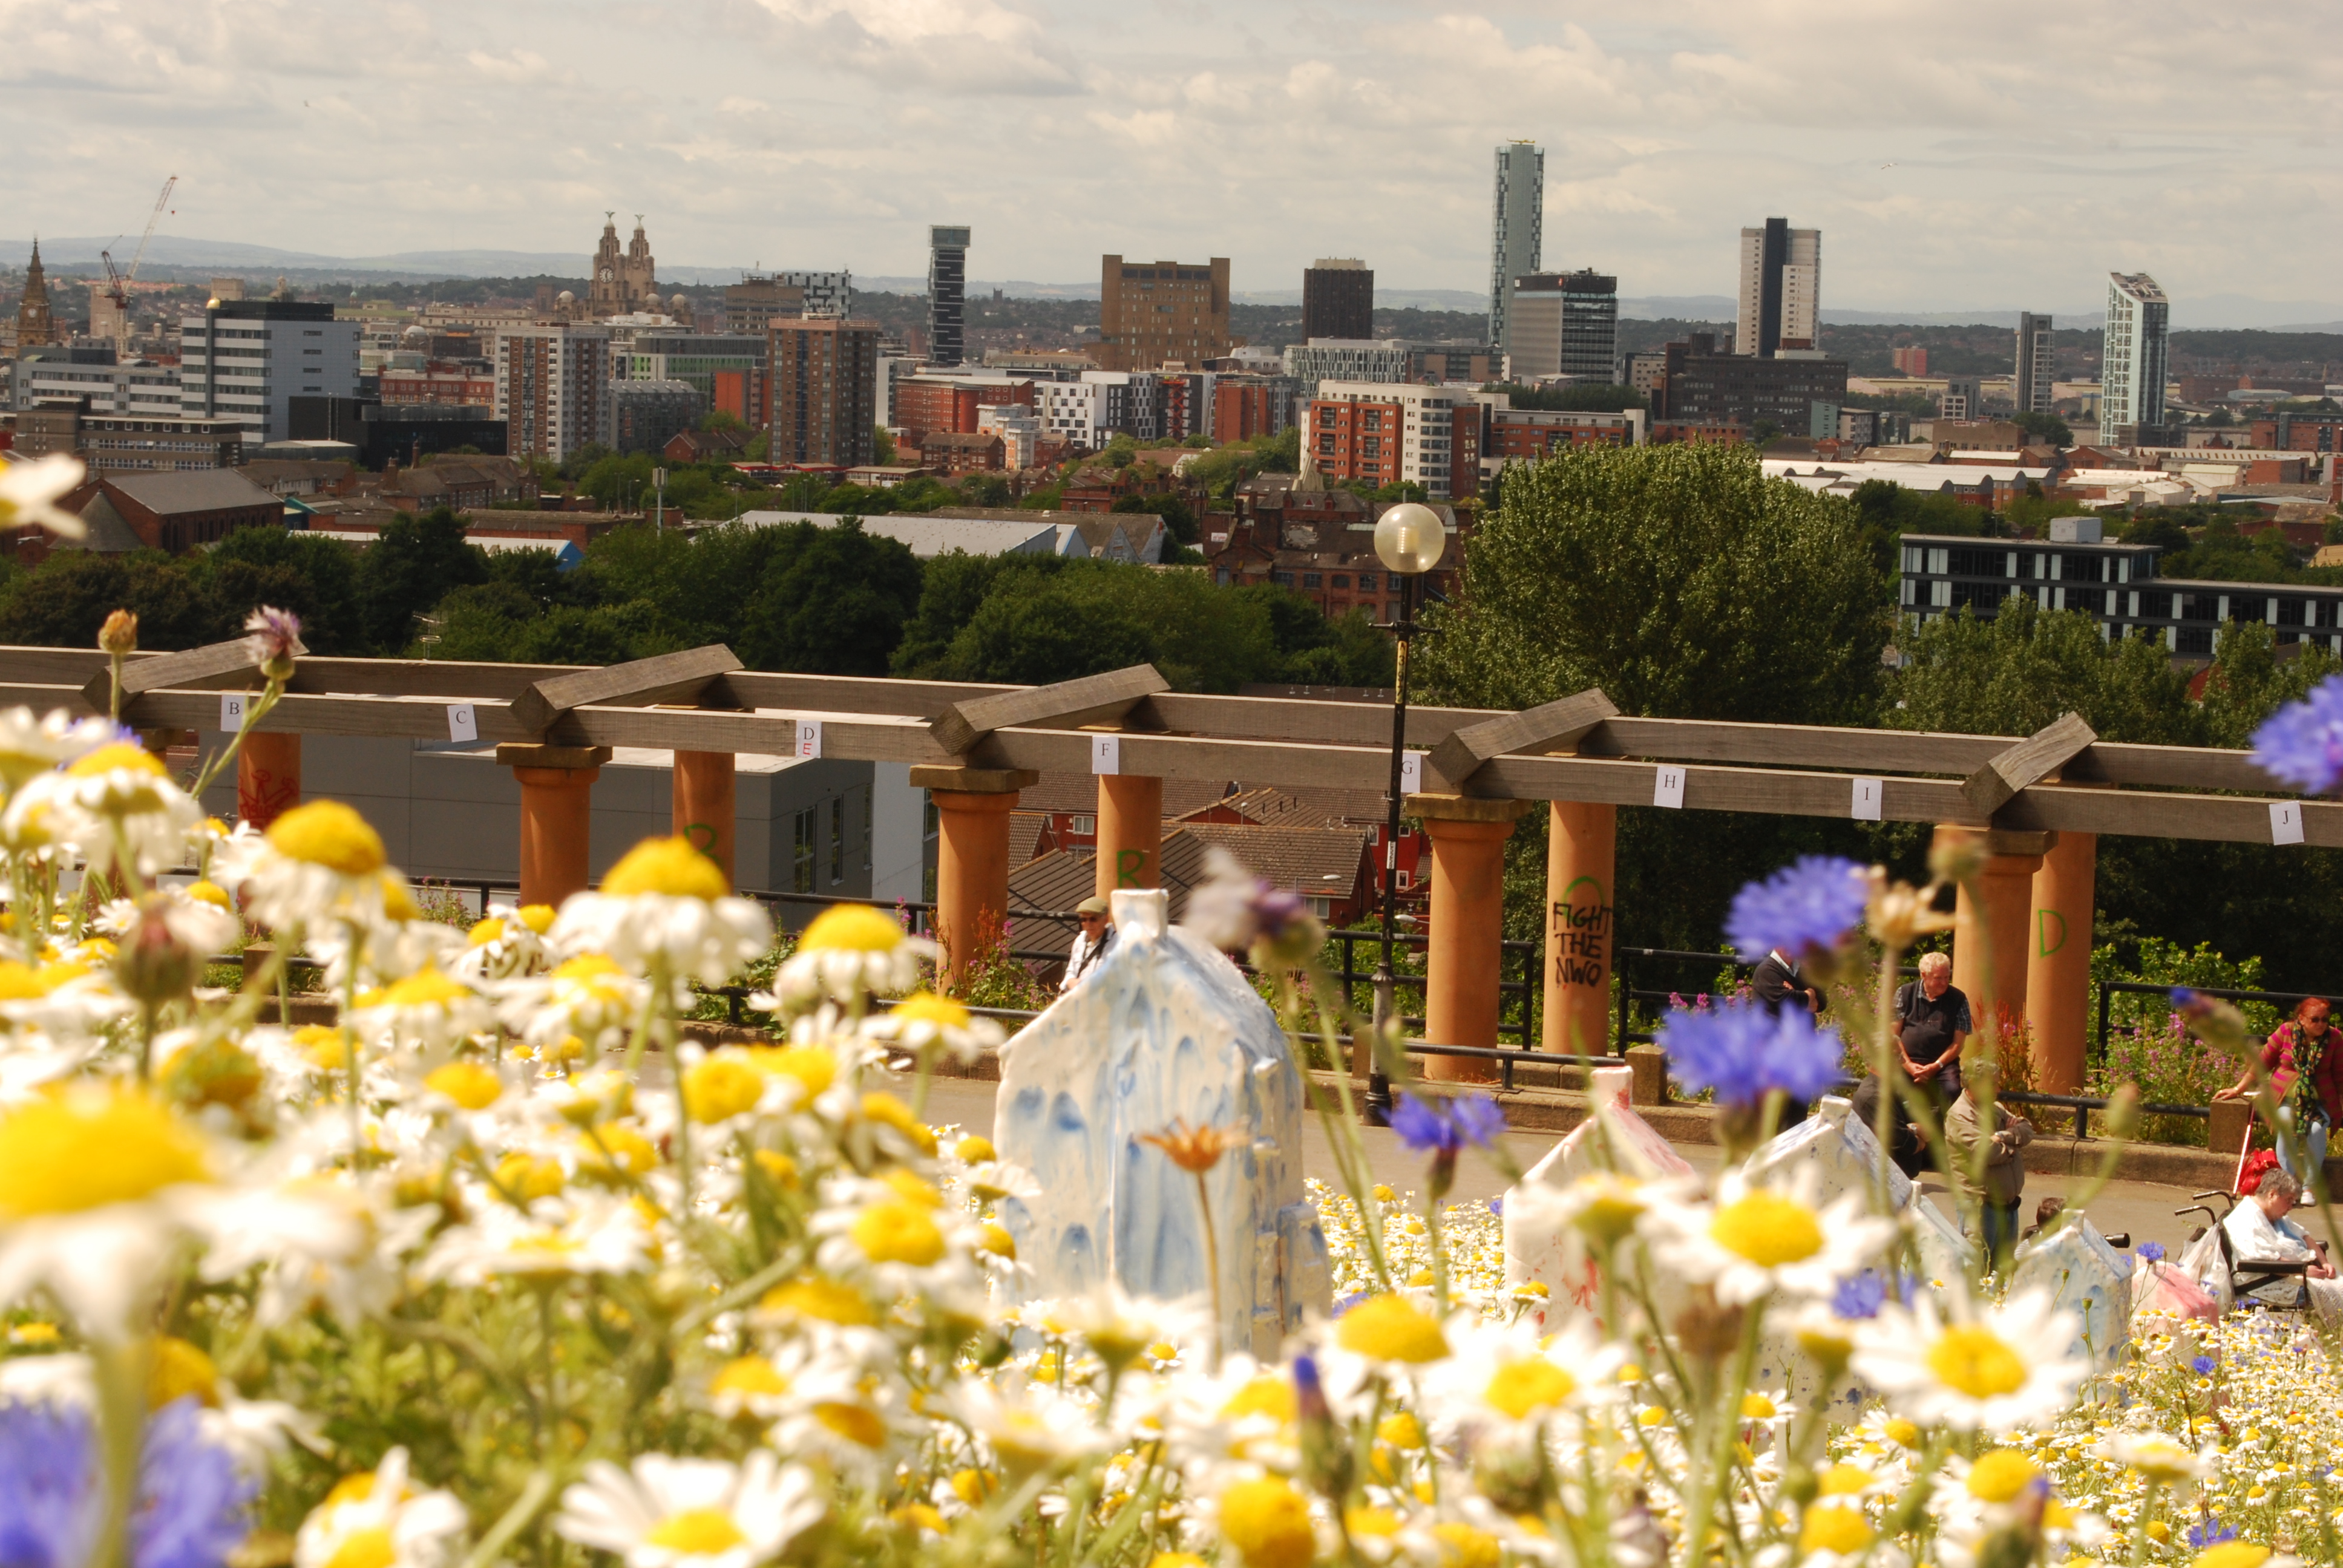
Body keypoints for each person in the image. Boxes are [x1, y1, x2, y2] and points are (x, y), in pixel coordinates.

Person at [2215, 996, 2342, 1181]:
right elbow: (2262, 1064)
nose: (2321, 1024)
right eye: (2315, 1019)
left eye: (2325, 1020)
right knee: (2285, 1124)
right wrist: (2238, 1088)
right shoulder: (2286, 1032)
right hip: (2285, 1100)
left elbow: (2340, 1075)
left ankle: (2309, 1186)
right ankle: (2286, 1182)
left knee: (2317, 1130)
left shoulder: (2335, 1038)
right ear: (2301, 1018)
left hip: (2317, 1102)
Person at [1944, 1057, 2034, 1266]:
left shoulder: (1995, 1108)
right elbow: (1985, 1153)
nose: (1998, 1087)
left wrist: (2002, 1136)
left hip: (2008, 1207)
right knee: (1977, 1272)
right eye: (1993, 1083)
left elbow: (2027, 1130)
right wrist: (2012, 1141)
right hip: (1981, 1208)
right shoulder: (1960, 1116)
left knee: (2003, 1274)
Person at [2220, 1166, 2343, 1317]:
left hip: (2294, 1271)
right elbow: (2263, 1259)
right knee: (2327, 1293)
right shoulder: (2246, 1219)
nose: (2291, 1207)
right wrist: (2302, 1270)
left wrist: (2325, 1263)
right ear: (2272, 1194)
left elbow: (2305, 1236)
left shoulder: (2276, 1215)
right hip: (2264, 1282)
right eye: (2289, 1201)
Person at [1750, 946, 1826, 1126]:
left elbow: (1822, 1001)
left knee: (1797, 1114)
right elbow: (1788, 1001)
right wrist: (1808, 994)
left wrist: (1806, 995)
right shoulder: (1767, 971)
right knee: (1776, 1116)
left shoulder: (1802, 970)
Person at [1893, 952, 1971, 1106]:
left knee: (1952, 1089)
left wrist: (1936, 1066)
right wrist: (1908, 1065)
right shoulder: (1905, 993)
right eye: (1938, 978)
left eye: (1946, 977)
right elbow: (1893, 1036)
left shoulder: (1958, 999)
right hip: (1905, 1059)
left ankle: (1942, 1128)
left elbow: (1958, 1044)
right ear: (1924, 975)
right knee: (1888, 1090)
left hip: (1943, 1064)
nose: (1944, 983)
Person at [1061, 895, 1115, 993]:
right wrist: (1071, 982)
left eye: (1093, 919)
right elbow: (1071, 972)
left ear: (1106, 920)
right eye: (1084, 920)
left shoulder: (1118, 944)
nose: (1088, 924)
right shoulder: (1080, 940)